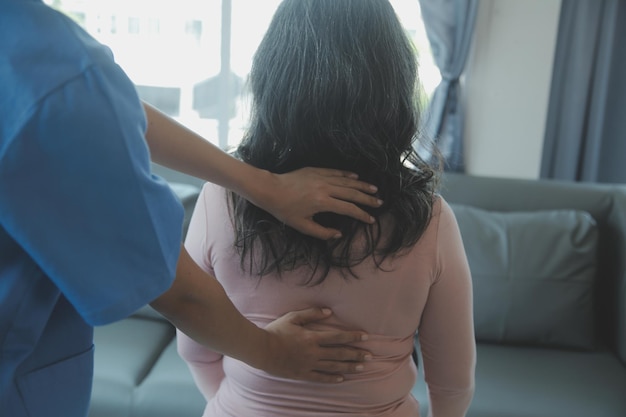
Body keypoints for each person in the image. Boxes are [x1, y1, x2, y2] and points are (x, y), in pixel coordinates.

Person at [0, 1, 383, 416]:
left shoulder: (49, 71)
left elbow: (99, 110)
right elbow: (181, 296)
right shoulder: (52, 71)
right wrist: (274, 353)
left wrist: (261, 184)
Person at [177, 0, 477, 416]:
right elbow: (453, 384)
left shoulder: (222, 198)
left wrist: (242, 405)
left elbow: (195, 350)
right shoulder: (430, 219)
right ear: (394, 86)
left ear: (272, 78)